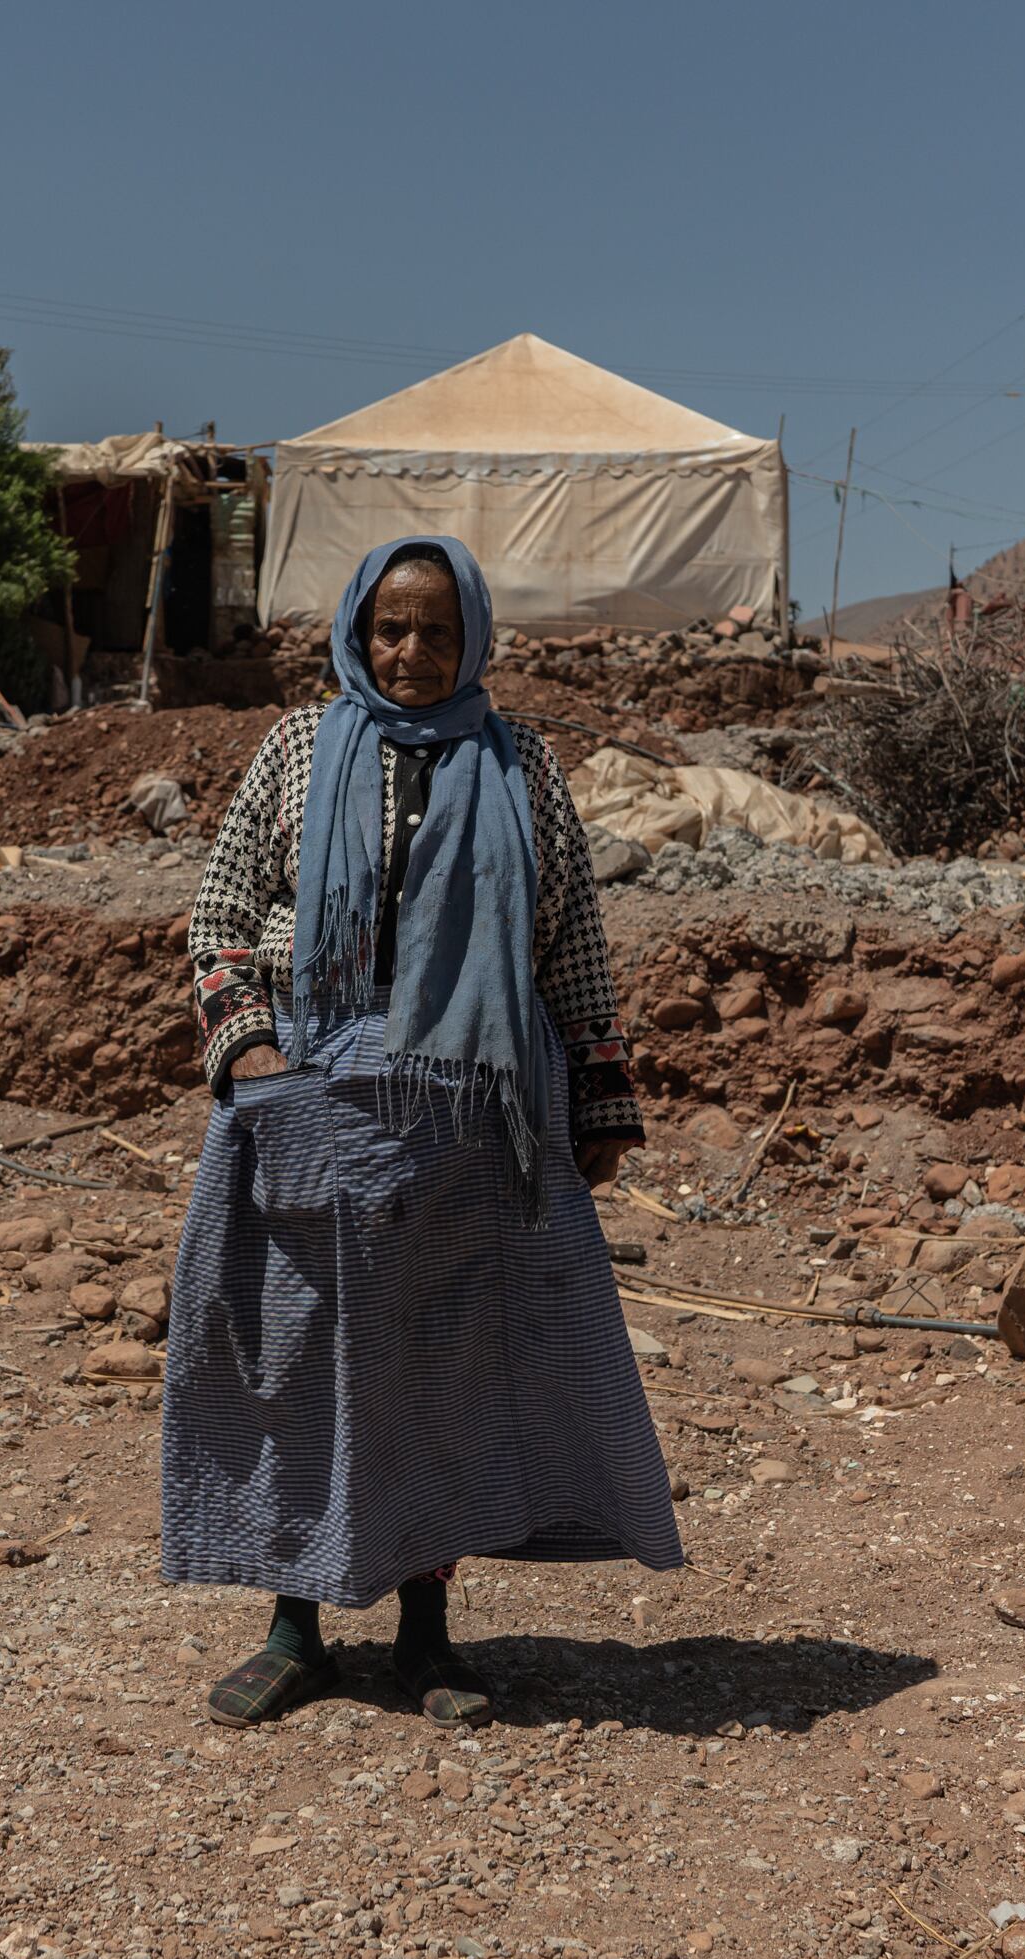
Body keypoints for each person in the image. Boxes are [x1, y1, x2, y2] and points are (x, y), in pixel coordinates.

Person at [163, 534, 682, 1730]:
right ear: (356, 627)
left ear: (474, 640)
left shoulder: (522, 766)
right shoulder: (296, 748)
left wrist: (599, 1097)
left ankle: (425, 1632)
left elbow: (572, 943)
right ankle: (295, 1625)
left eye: (437, 630)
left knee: (445, 1374)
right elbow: (221, 912)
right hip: (312, 1101)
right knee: (294, 1363)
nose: (410, 651)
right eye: (391, 627)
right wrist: (251, 1048)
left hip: (471, 1119)